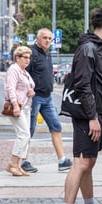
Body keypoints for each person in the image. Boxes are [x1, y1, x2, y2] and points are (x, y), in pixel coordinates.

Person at [55, 8, 102, 204]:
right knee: (80, 164)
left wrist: (101, 119)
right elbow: (82, 85)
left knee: (88, 164)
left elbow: (97, 86)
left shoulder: (96, 49)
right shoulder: (88, 49)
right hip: (86, 116)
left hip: (94, 116)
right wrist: (93, 117)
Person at [24, 28, 72, 173]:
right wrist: (28, 89)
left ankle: (62, 160)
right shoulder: (31, 54)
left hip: (47, 97)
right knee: (29, 129)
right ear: (37, 39)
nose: (47, 41)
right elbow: (24, 73)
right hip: (35, 97)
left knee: (56, 126)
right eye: (44, 38)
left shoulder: (47, 53)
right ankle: (22, 160)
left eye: (50, 38)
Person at [4, 46, 35, 177]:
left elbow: (28, 88)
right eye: (25, 57)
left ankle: (18, 165)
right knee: (24, 135)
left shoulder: (24, 72)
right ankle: (12, 163)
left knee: (25, 136)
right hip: (18, 106)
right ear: (17, 58)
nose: (28, 60)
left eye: (29, 57)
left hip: (26, 106)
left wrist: (32, 92)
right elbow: (10, 88)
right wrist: (16, 105)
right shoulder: (14, 70)